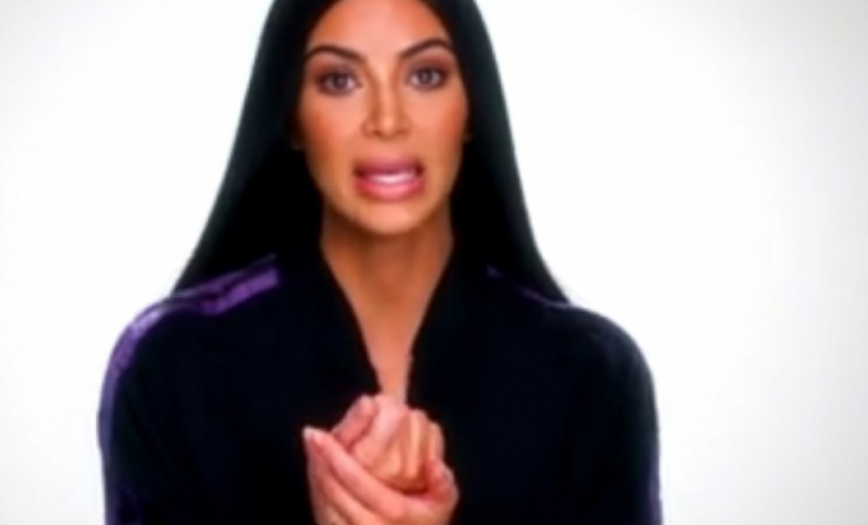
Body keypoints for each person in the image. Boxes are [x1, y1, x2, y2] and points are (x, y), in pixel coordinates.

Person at [96, 0, 662, 523]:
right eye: (339, 81)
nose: (387, 120)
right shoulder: (173, 368)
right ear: (291, 115)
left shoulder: (592, 377)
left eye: (425, 76)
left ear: (472, 106)